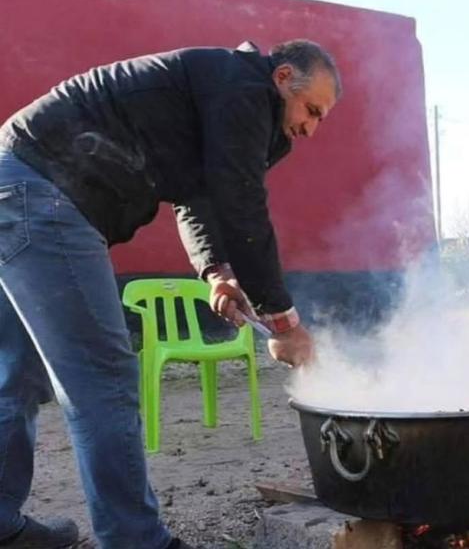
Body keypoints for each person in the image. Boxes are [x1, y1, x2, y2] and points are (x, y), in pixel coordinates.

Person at [0, 39, 341, 548]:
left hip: (16, 183)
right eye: (311, 110)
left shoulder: (222, 89)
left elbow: (197, 195)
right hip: (44, 192)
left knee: (17, 373)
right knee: (105, 379)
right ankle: (137, 540)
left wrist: (215, 272)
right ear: (283, 77)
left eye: (321, 120)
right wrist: (283, 321)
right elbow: (241, 203)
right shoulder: (244, 89)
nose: (311, 129)